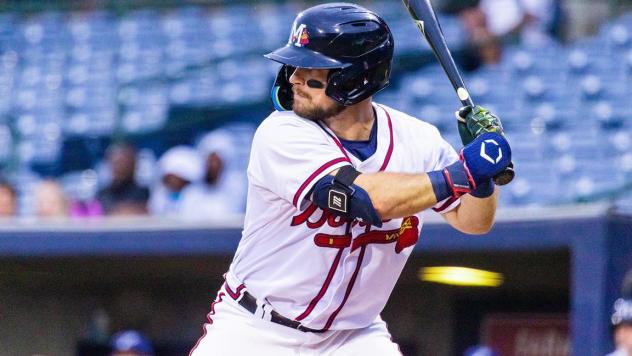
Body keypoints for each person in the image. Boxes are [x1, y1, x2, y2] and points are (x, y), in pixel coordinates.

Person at [189, 3, 511, 355]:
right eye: (295, 64)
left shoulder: (418, 140)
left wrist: (481, 179)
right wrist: (462, 172)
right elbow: (367, 199)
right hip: (256, 328)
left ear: (356, 77)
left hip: (353, 337)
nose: (295, 77)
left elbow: (474, 222)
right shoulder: (281, 133)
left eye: (313, 68)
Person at [179, 129, 248, 220]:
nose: (212, 165)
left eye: (216, 160)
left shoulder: (238, 188)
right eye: (209, 159)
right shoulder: (192, 192)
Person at [148, 145, 203, 216]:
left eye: (174, 177)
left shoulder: (198, 198)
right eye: (167, 177)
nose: (170, 181)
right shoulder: (160, 196)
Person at [97, 143, 150, 216]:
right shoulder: (103, 194)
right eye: (115, 163)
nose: (118, 167)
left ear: (133, 164)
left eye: (122, 162)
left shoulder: (145, 193)